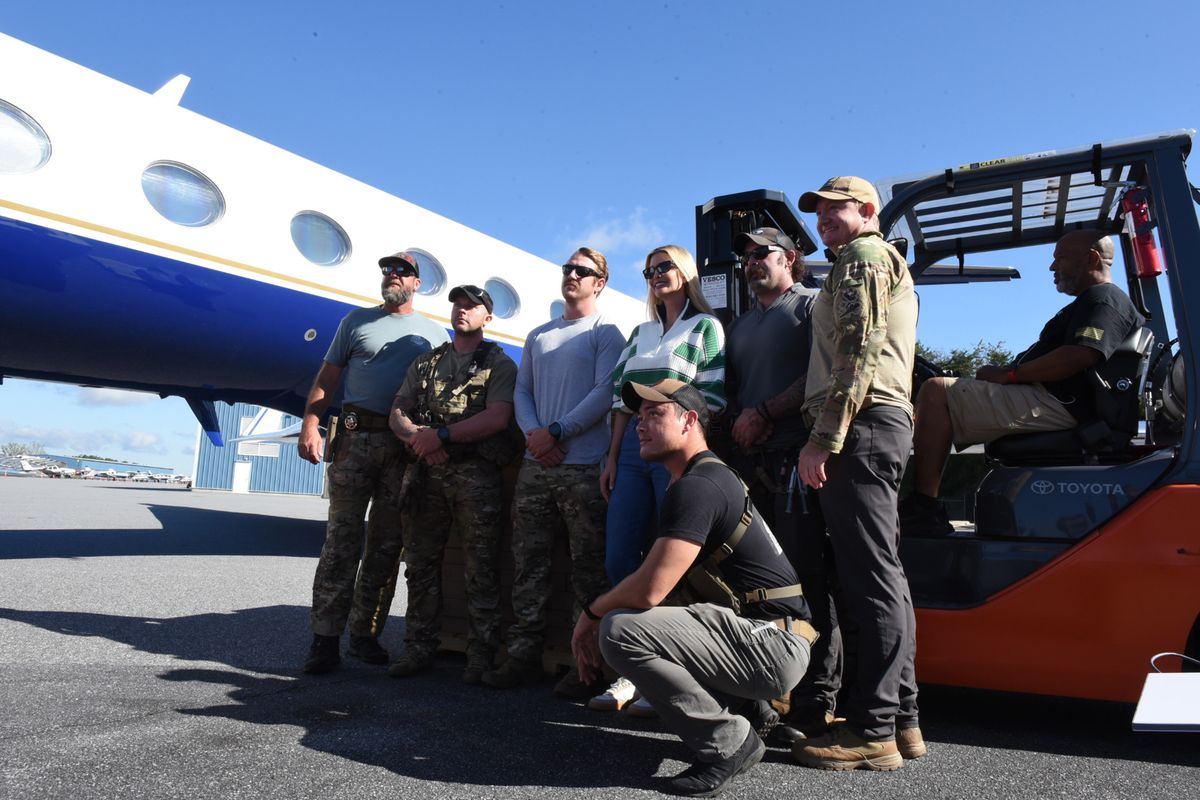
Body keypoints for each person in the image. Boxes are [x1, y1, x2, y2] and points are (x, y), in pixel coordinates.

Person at [572, 378, 814, 797]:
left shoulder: (699, 486)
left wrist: (591, 613)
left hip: (775, 645)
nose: (639, 425)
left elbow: (649, 589)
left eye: (655, 414)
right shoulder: (699, 478)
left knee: (620, 629)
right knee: (647, 614)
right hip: (771, 636)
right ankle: (750, 709)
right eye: (638, 417)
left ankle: (728, 743)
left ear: (689, 420)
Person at [791, 176, 922, 770]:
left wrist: (824, 438)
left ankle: (873, 732)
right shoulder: (867, 259)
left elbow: (859, 350)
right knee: (881, 575)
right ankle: (902, 719)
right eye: (817, 212)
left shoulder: (864, 257)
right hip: (873, 426)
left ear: (867, 210)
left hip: (859, 427)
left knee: (868, 579)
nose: (823, 220)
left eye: (834, 209)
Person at [901, 230, 1145, 535]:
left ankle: (924, 509)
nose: (1052, 267)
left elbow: (1079, 355)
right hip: (1056, 400)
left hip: (1061, 405)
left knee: (936, 392)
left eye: (1061, 258)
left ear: (1092, 259)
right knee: (942, 385)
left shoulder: (1104, 300)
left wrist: (1010, 375)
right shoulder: (1091, 303)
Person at [297, 250, 449, 674]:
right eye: (387, 270)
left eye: (402, 271)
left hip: (400, 449)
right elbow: (327, 379)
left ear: (418, 283)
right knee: (341, 541)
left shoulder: (432, 336)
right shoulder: (355, 323)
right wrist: (310, 424)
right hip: (354, 440)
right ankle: (324, 638)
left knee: (385, 545)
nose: (392, 276)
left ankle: (364, 635)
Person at [482, 248, 625, 695]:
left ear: (599, 283)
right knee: (529, 564)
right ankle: (523, 655)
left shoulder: (607, 333)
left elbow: (606, 391)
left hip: (582, 467)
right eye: (568, 268)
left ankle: (588, 667)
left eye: (583, 271)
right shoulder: (539, 335)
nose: (572, 276)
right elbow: (522, 391)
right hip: (535, 466)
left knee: (588, 570)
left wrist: (560, 431)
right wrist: (534, 436)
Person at [591, 244, 726, 713]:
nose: (656, 275)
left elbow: (711, 397)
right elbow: (619, 400)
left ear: (686, 271)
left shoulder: (705, 327)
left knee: (669, 563)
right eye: (649, 270)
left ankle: (664, 677)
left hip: (678, 450)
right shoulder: (640, 332)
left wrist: (690, 463)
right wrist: (611, 457)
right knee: (620, 556)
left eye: (665, 266)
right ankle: (630, 674)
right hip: (632, 451)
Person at [725, 227, 840, 737]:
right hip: (752, 467)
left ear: (790, 258)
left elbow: (825, 372)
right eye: (746, 256)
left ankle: (818, 700)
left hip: (797, 460)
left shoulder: (813, 306)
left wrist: (765, 412)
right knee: (754, 585)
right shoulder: (741, 324)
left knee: (809, 580)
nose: (751, 262)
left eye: (761, 253)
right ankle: (765, 695)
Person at [385, 284, 519, 683]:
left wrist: (440, 437)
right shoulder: (426, 363)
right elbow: (398, 411)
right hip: (427, 473)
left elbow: (497, 418)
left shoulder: (499, 364)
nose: (462, 311)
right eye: (458, 305)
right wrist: (417, 438)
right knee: (421, 565)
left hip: (475, 476)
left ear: (487, 318)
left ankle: (481, 655)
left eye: (472, 306)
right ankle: (417, 647)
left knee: (481, 568)